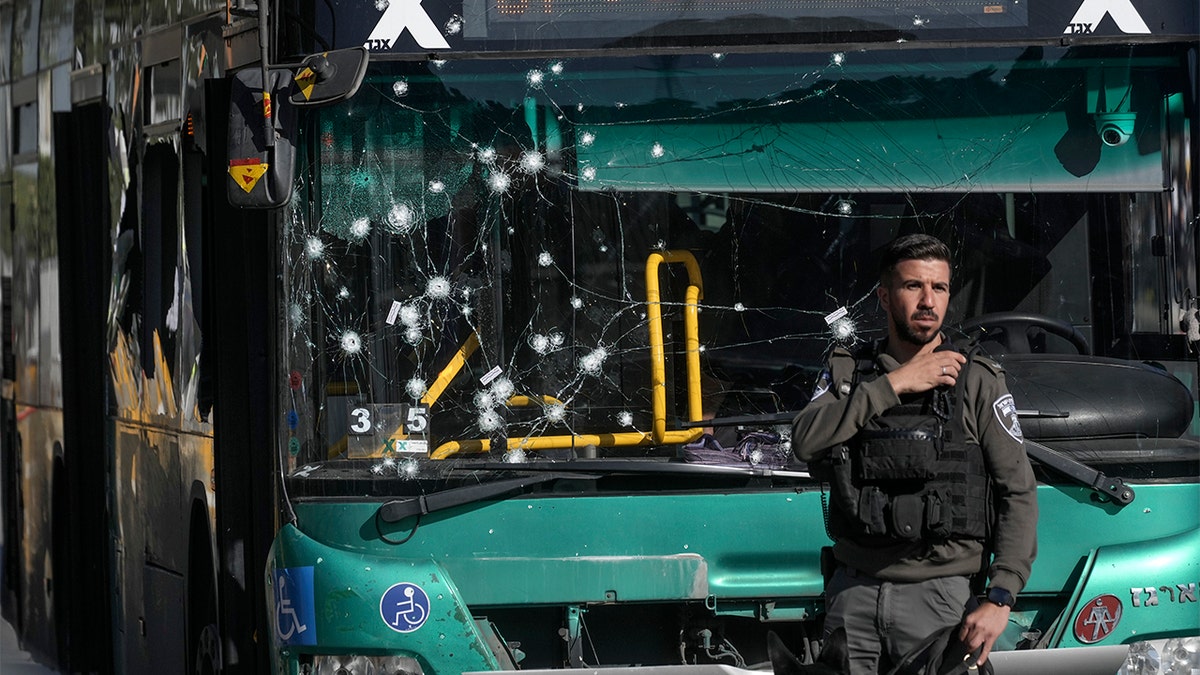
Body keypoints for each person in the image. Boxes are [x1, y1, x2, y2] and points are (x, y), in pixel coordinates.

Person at [792, 233, 1038, 674]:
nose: (929, 301)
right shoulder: (849, 373)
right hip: (853, 596)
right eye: (913, 287)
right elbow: (805, 440)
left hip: (941, 600)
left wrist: (1001, 597)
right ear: (885, 297)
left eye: (939, 288)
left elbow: (1017, 492)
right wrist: (893, 385)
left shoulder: (976, 379)